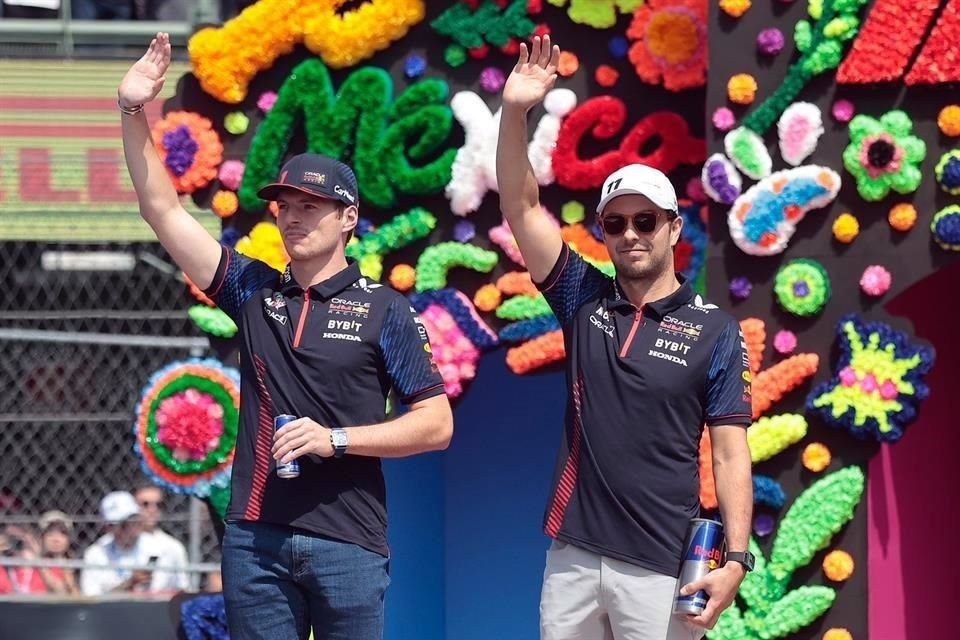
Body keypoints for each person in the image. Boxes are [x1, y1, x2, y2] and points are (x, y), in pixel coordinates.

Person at [117, 33, 453, 640]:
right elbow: (162, 211)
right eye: (284, 204)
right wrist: (133, 110)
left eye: (312, 205)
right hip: (255, 538)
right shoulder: (252, 288)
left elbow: (436, 423)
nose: (293, 216)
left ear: (349, 217)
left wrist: (337, 439)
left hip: (348, 539)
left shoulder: (384, 309)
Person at [496, 35, 755, 640]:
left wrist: (737, 560)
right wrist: (514, 112)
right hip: (575, 556)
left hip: (665, 566)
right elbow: (519, 203)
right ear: (603, 232)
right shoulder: (582, 297)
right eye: (615, 223)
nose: (631, 234)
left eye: (645, 221)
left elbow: (729, 453)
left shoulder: (714, 328)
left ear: (673, 227)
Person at [80, 491, 184, 595]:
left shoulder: (165, 548)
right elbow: (91, 601)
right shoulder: (96, 554)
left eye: (133, 519)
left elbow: (181, 590)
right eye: (122, 523)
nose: (130, 526)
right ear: (108, 527)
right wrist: (128, 584)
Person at [134, 482, 189, 591]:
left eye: (158, 505)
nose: (152, 509)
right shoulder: (116, 544)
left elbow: (183, 587)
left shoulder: (173, 546)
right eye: (145, 504)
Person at [37, 510, 80, 595]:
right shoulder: (31, 563)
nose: (56, 539)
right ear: (41, 537)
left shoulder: (75, 566)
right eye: (50, 533)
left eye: (62, 533)